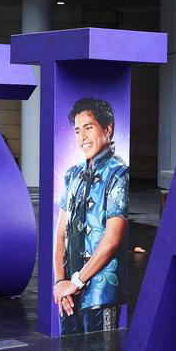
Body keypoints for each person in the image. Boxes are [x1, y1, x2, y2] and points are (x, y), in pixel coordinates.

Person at [52, 97, 128, 335]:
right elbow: (61, 233)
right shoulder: (73, 175)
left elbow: (112, 238)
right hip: (69, 295)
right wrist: (60, 284)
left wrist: (76, 282)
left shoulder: (119, 175)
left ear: (107, 129)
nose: (82, 137)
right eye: (77, 130)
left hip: (101, 294)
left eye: (89, 127)